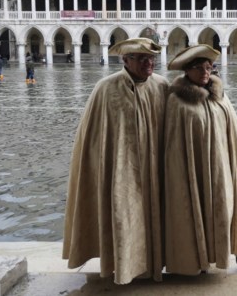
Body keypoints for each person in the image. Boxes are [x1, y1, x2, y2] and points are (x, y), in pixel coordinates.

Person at [62, 38, 169, 285]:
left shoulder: (162, 86)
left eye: (151, 58)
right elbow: (92, 138)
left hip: (153, 169)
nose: (148, 63)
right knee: (122, 217)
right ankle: (122, 267)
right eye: (141, 58)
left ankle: (152, 264)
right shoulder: (105, 88)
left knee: (153, 216)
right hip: (119, 171)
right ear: (125, 60)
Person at [164, 44, 237, 276]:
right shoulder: (177, 101)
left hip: (223, 167)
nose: (205, 73)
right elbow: (174, 146)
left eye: (209, 67)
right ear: (187, 70)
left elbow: (234, 133)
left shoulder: (220, 96)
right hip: (195, 169)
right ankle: (199, 259)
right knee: (198, 210)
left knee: (229, 208)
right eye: (199, 68)